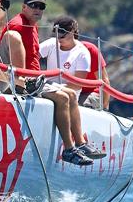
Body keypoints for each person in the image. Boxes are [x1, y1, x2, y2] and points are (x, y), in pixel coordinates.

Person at [38, 15, 106, 165]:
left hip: (69, 91)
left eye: (63, 35)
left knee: (69, 96)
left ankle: (77, 145)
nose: (59, 39)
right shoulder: (50, 44)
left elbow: (77, 85)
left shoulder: (82, 52)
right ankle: (77, 144)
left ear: (73, 31)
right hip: (50, 87)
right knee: (66, 95)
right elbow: (33, 56)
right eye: (57, 35)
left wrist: (55, 87)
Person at [80, 41, 111, 110]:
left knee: (79, 105)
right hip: (73, 90)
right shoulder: (56, 48)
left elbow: (105, 81)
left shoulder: (90, 49)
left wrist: (105, 107)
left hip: (93, 92)